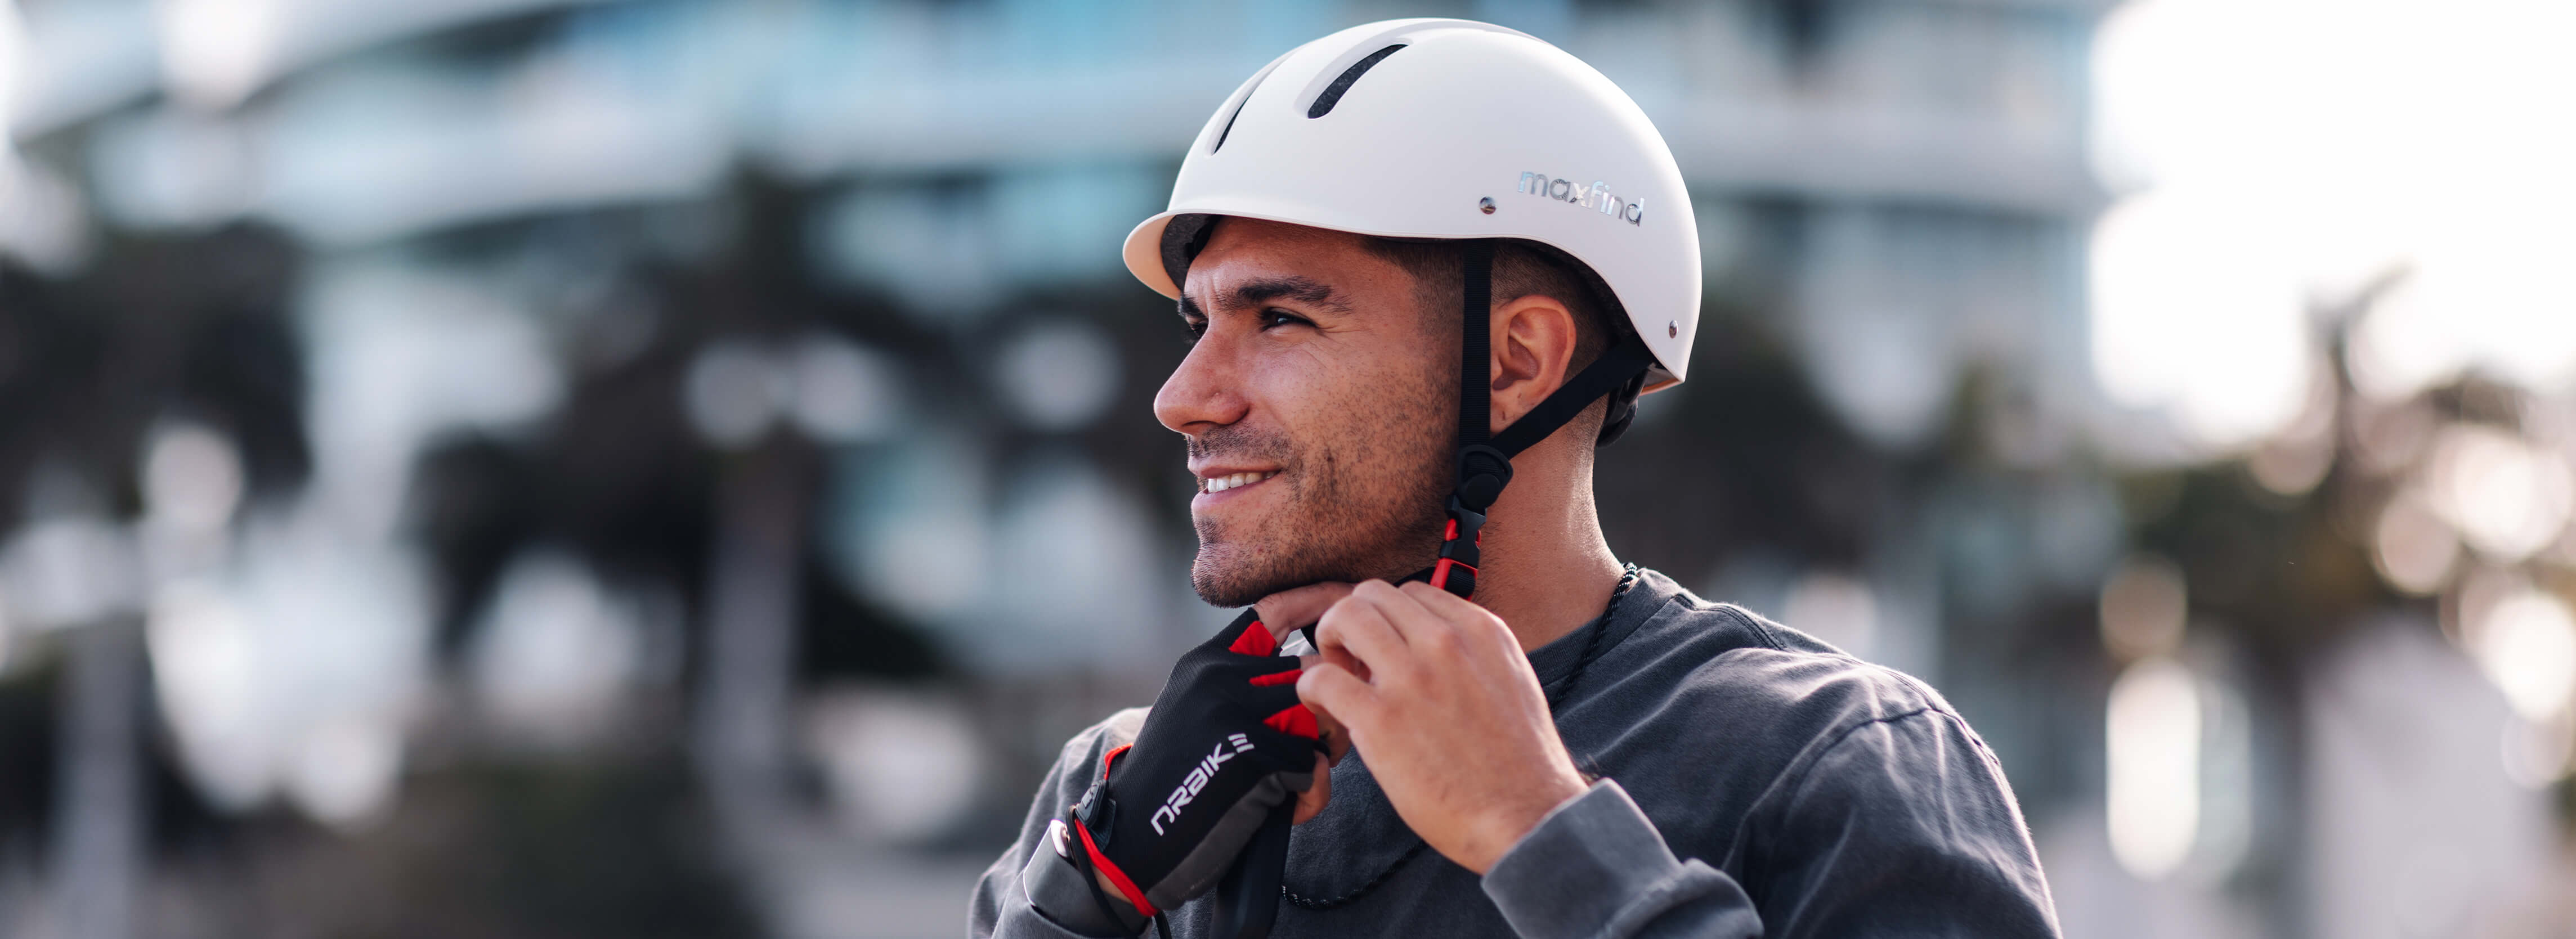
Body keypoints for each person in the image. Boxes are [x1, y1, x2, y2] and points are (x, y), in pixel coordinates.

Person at [972, 18, 2059, 939]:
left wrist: (1537, 829)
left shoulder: (1830, 763)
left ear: (1514, 363)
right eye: (1199, 322)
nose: (1184, 396)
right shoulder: (1113, 789)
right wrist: (1086, 897)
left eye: (1280, 318)